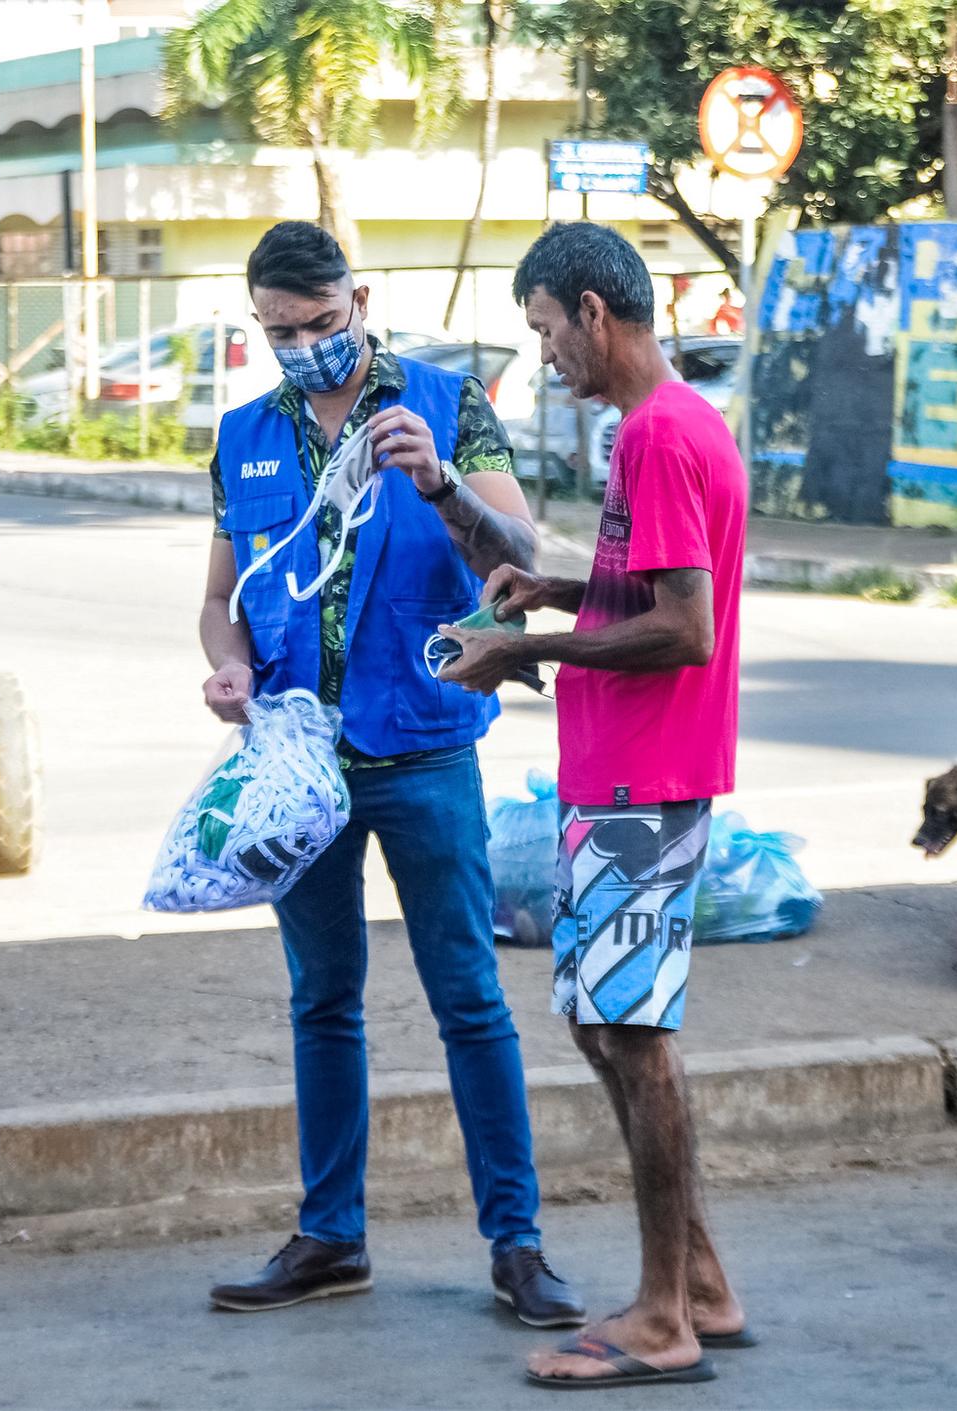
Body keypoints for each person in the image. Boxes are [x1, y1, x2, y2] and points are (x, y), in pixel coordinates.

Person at [198, 221, 584, 1328]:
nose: (306, 345)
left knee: (468, 1000)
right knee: (321, 1001)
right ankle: (329, 1238)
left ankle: (517, 1247)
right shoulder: (242, 437)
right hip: (297, 766)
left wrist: (442, 483)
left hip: (420, 749)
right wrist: (226, 671)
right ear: (258, 324)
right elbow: (218, 603)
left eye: (322, 323)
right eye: (281, 331)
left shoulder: (447, 404)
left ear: (358, 299)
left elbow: (521, 565)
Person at [437, 222, 751, 1388]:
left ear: (592, 312)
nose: (546, 356)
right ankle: (701, 1282)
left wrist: (529, 641)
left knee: (632, 1039)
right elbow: (658, 583)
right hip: (620, 777)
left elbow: (683, 628)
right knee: (601, 1025)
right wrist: (558, 584)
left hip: (644, 779)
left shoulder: (662, 435)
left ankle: (664, 1315)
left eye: (543, 331)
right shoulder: (652, 432)